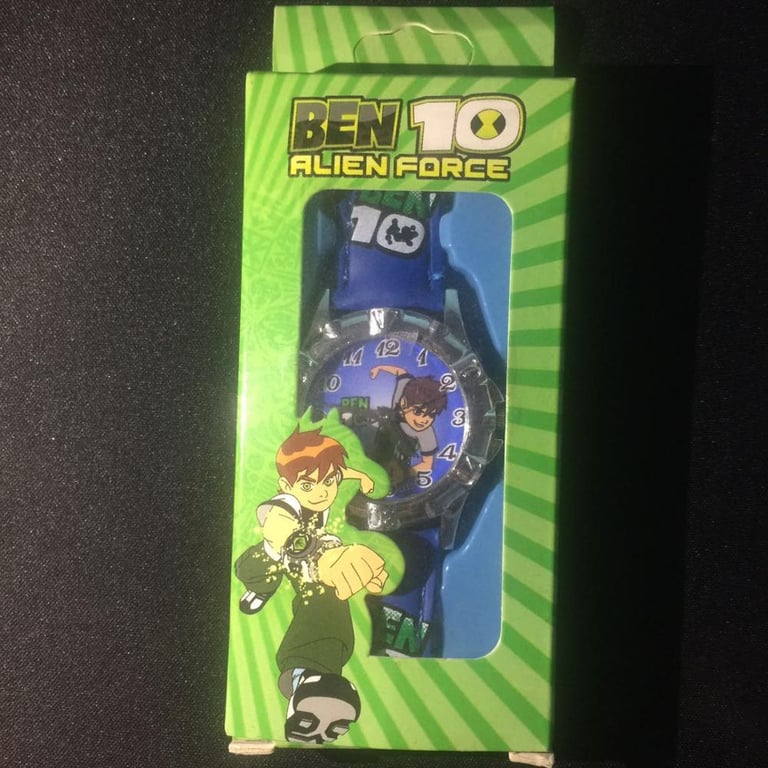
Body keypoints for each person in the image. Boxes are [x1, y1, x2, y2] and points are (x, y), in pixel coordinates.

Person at [235, 426, 387, 744]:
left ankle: (308, 680)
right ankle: (261, 589)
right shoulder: (283, 505)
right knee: (256, 573)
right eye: (307, 485)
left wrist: (362, 478)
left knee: (328, 599)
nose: (321, 492)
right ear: (287, 486)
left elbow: (340, 472)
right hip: (270, 559)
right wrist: (322, 557)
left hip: (306, 566)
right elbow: (280, 529)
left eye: (328, 482)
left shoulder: (328, 478)